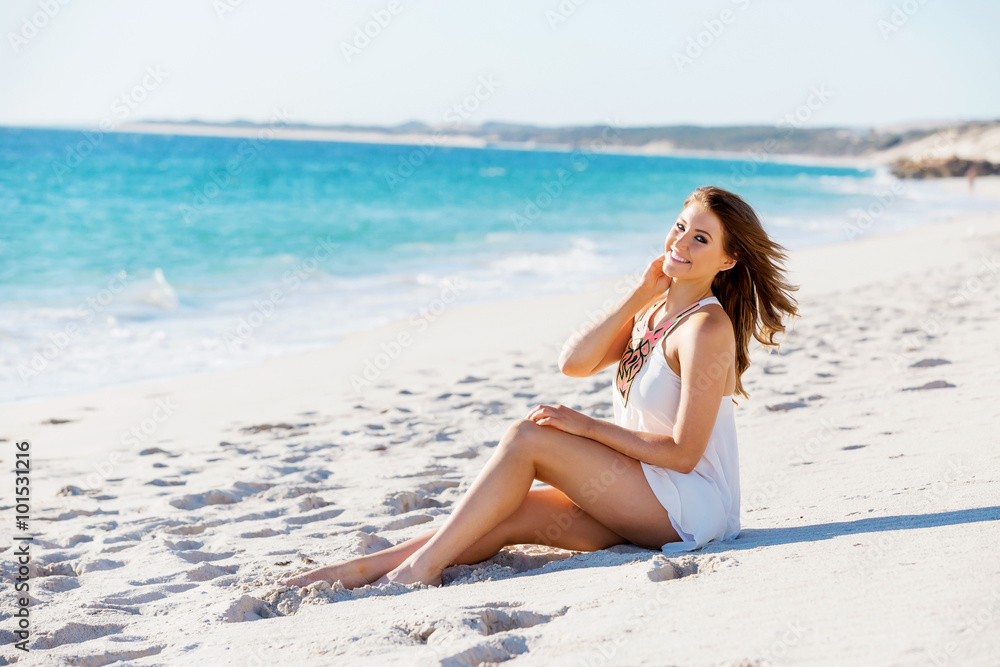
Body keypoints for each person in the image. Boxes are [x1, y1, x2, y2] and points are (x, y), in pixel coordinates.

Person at [283, 185, 799, 589]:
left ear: (728, 260)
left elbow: (685, 454)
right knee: (512, 515)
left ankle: (419, 570)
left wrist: (585, 428)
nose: (680, 243)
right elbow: (574, 363)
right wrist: (641, 290)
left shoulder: (706, 328)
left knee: (528, 439)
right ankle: (361, 570)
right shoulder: (654, 312)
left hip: (689, 507)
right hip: (639, 491)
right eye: (680, 227)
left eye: (700, 239)